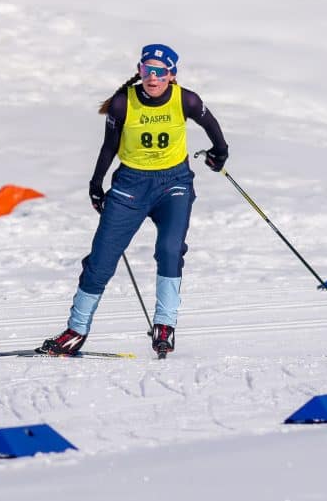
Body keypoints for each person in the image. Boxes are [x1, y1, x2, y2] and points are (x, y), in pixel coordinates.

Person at [41, 44, 229, 357]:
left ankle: (165, 325)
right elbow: (109, 146)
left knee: (169, 250)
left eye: (159, 72)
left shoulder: (186, 99)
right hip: (130, 186)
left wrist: (220, 153)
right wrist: (96, 183)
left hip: (174, 185)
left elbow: (212, 127)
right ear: (139, 71)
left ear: (171, 75)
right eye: (146, 70)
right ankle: (76, 331)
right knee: (101, 259)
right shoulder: (122, 103)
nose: (152, 78)